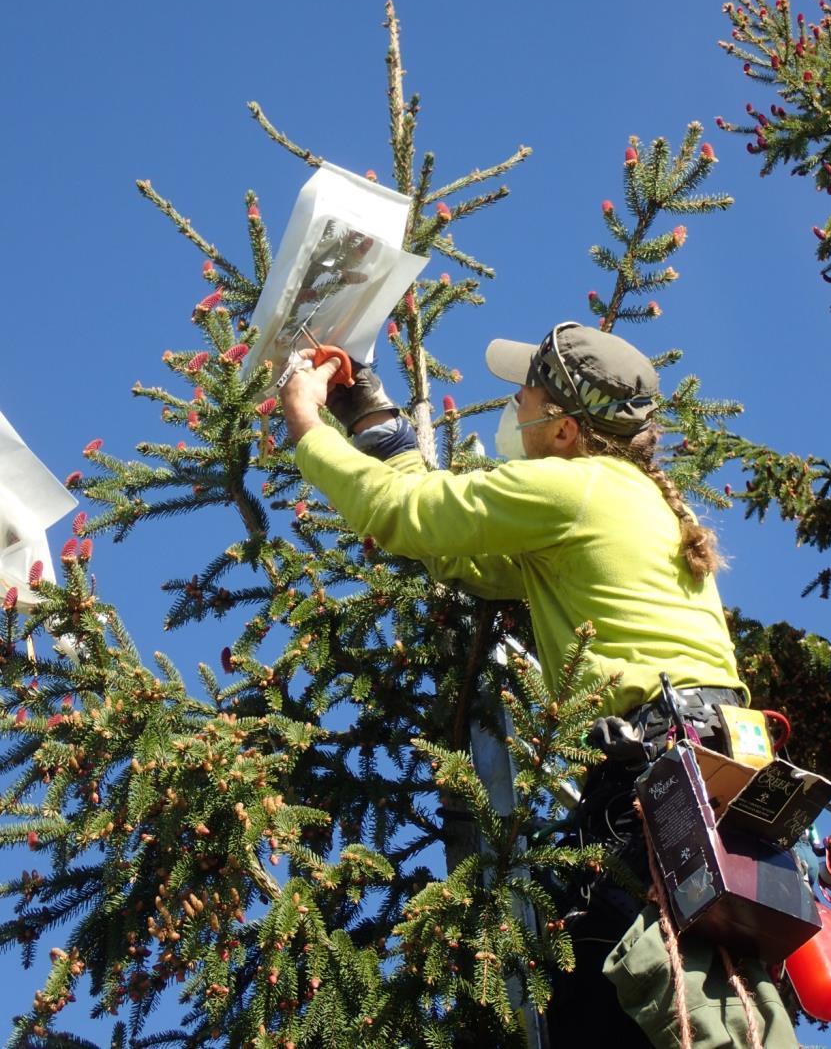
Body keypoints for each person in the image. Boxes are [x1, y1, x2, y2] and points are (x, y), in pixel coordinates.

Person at [279, 321, 796, 1046]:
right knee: (653, 999)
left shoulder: (572, 489)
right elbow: (456, 550)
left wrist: (305, 420)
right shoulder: (629, 499)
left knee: (669, 1006)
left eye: (528, 390)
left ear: (564, 428)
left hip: (656, 785)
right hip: (712, 775)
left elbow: (405, 515)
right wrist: (367, 410)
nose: (516, 401)